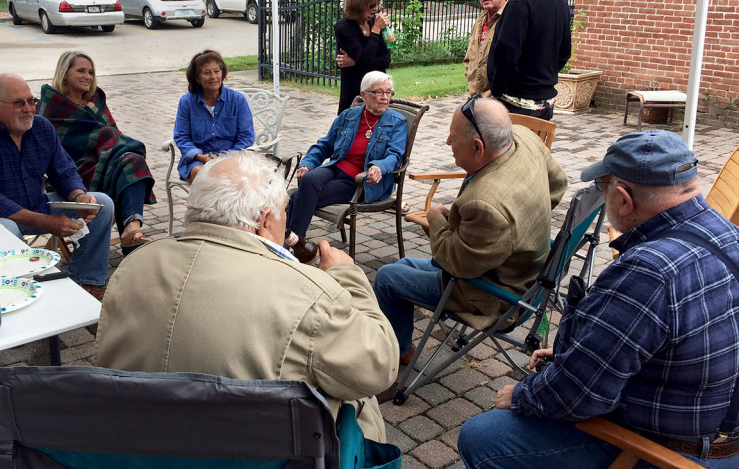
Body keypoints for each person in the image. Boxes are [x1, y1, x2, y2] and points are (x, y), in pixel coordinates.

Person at [458, 130, 739, 468]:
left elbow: (577, 394)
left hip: (669, 452)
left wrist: (520, 395)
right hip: (720, 432)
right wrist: (583, 351)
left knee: (483, 437)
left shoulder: (647, 272)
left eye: (603, 190)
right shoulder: (727, 234)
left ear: (622, 199)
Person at [95, 151, 399, 441]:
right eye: (284, 214)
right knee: (358, 396)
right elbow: (379, 366)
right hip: (262, 452)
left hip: (139, 448)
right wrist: (347, 276)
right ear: (265, 221)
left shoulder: (133, 266)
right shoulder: (309, 295)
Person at [373, 96, 567, 364]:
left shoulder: (486, 204)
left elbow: (454, 263)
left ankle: (397, 357)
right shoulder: (523, 138)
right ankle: (399, 344)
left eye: (453, 138)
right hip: (524, 273)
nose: (448, 143)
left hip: (496, 294)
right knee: (404, 263)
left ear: (478, 147)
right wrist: (520, 225)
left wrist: (435, 216)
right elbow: (558, 184)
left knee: (386, 278)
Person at [0, 73, 115, 300]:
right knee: (8, 229)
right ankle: (18, 293)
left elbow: (64, 170)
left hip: (35, 204)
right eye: (19, 103)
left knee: (102, 204)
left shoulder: (41, 127)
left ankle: (85, 283)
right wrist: (44, 221)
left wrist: (79, 196)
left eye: (32, 101)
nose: (29, 109)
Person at [38, 51, 156, 256]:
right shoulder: (53, 105)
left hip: (107, 162)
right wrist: (105, 138)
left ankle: (132, 228)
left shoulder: (96, 101)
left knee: (132, 160)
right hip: (73, 172)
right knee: (124, 170)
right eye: (81, 70)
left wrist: (108, 143)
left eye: (91, 72)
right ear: (65, 73)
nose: (88, 76)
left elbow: (114, 136)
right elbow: (54, 148)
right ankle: (130, 237)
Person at [287, 71, 407, 239]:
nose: (385, 97)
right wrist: (307, 163)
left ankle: (291, 243)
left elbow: (394, 155)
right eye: (378, 92)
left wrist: (380, 166)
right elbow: (325, 144)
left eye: (388, 92)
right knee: (307, 179)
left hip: (362, 181)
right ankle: (293, 244)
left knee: (298, 197)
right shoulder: (348, 116)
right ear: (364, 95)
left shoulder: (397, 122)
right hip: (337, 166)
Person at [487, 0, 572, 120]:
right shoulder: (560, 0)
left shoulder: (520, 1)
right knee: (537, 147)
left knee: (513, 149)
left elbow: (506, 51)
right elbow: (564, 52)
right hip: (545, 101)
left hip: (516, 103)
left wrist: (497, 89)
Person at [173, 49, 255, 183]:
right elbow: (182, 137)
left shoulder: (237, 100)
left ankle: (215, 204)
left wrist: (225, 158)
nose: (213, 77)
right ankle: (215, 204)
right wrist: (201, 156)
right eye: (207, 72)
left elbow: (246, 137)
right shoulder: (187, 102)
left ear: (222, 73)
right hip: (198, 160)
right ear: (197, 77)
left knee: (230, 175)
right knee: (203, 174)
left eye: (217, 71)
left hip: (231, 158)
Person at [335, 0, 392, 114]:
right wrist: (376, 31)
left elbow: (386, 60)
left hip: (378, 95)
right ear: (359, 3)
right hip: (354, 95)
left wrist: (355, 62)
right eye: (372, 5)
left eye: (378, 4)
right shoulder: (343, 27)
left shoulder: (375, 22)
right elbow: (365, 60)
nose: (376, 9)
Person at [464, 0, 507, 98]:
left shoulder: (508, 18)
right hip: (474, 98)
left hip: (497, 100)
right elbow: (468, 59)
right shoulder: (480, 21)